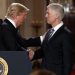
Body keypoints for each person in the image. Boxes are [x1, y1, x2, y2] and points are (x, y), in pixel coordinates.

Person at [29, 3, 74, 75]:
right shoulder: (49, 31)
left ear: (56, 16)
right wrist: (34, 54)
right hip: (44, 72)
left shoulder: (66, 34)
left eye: (48, 13)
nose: (45, 16)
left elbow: (68, 62)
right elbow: (45, 50)